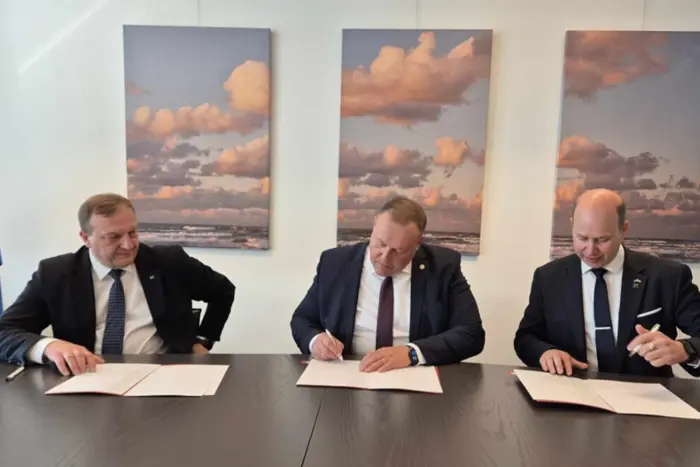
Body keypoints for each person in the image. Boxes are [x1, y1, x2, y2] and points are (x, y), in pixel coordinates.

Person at [0, 193, 235, 376]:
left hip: (163, 375)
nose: (128, 245)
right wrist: (48, 346)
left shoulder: (169, 262)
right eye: (113, 237)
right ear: (85, 238)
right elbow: (4, 332)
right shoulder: (55, 274)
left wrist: (204, 340)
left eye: (132, 233)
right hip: (87, 379)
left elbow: (223, 291)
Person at [514, 188, 700, 377]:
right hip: (572, 389)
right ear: (572, 225)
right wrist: (545, 353)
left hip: (645, 391)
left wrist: (685, 350)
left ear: (623, 229)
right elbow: (526, 338)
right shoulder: (548, 277)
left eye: (602, 240)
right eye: (582, 238)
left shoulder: (668, 276)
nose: (590, 250)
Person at [290, 196, 485, 372]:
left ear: (418, 243)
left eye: (398, 251)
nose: (384, 257)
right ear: (374, 225)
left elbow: (472, 334)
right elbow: (302, 320)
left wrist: (411, 353)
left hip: (413, 376)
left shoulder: (443, 267)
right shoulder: (335, 263)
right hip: (349, 373)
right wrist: (315, 340)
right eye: (381, 244)